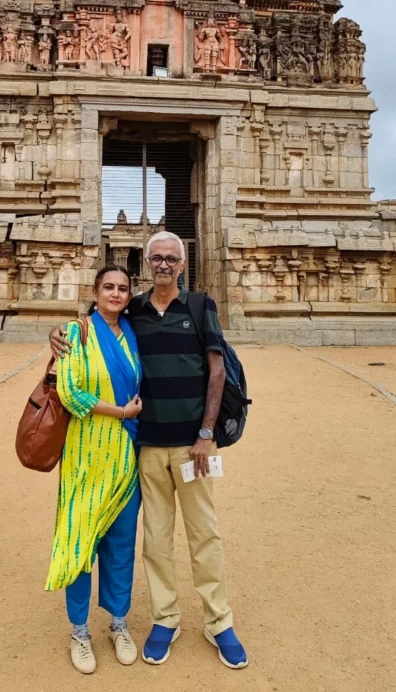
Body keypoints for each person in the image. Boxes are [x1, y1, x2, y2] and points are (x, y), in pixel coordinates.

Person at [50, 233, 248, 669]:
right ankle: (165, 618)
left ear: (182, 264)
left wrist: (207, 432)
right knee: (155, 540)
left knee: (204, 533)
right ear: (147, 264)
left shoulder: (200, 307)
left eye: (170, 258)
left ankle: (219, 621)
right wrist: (58, 335)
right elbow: (97, 326)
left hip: (195, 446)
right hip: (146, 447)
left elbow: (217, 370)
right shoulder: (135, 309)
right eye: (155, 257)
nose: (162, 264)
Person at [46, 265, 143, 674]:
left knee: (121, 544)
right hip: (86, 456)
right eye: (109, 287)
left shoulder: (134, 334)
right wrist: (119, 411)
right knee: (80, 540)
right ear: (95, 291)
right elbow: (69, 393)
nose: (116, 294)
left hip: (125, 456)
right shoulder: (75, 332)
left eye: (123, 288)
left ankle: (119, 623)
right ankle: (80, 630)